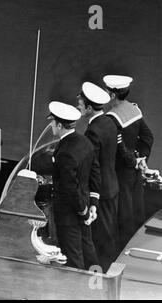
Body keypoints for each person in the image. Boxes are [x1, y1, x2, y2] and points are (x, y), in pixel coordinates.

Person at [103, 75, 154, 250]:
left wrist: (132, 161)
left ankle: (122, 250)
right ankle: (136, 246)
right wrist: (141, 159)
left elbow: (119, 147)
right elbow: (148, 138)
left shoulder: (111, 118)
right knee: (136, 210)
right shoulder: (134, 110)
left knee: (123, 213)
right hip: (135, 170)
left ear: (111, 95)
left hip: (120, 172)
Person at [49, 101, 100, 270]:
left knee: (72, 257)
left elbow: (70, 188)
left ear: (59, 124)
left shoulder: (65, 153)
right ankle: (96, 288)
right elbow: (94, 172)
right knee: (88, 250)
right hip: (84, 203)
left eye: (52, 122)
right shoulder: (84, 142)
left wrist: (83, 213)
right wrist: (92, 204)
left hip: (70, 213)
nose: (51, 125)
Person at [76, 82, 118, 272]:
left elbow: (93, 167)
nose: (78, 106)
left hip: (100, 190)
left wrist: (92, 197)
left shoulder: (93, 131)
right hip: (112, 186)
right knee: (108, 235)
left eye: (81, 103)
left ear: (89, 108)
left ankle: (100, 279)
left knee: (99, 240)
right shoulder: (109, 122)